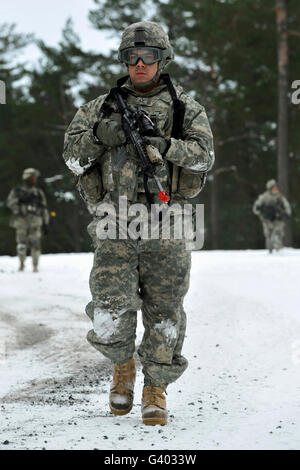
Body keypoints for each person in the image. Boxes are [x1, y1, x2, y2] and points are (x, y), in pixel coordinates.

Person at [63, 21, 214, 425]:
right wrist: (99, 134)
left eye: (148, 57)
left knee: (164, 311)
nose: (140, 64)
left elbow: (203, 158)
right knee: (110, 309)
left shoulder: (186, 109)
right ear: (124, 60)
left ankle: (155, 389)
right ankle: (122, 366)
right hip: (115, 225)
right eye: (132, 57)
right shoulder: (100, 109)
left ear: (163, 60)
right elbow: (73, 159)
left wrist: (167, 146)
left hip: (169, 224)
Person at [6, 168, 49, 272]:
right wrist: (19, 201)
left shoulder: (38, 192)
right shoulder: (17, 191)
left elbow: (44, 208)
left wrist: (46, 223)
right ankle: (21, 264)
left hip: (35, 221)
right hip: (21, 221)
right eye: (33, 177)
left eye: (35, 178)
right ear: (27, 177)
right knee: (21, 243)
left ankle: (35, 266)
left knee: (36, 244)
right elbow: (10, 203)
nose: (35, 180)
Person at [253, 179, 291, 253]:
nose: (275, 188)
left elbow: (286, 206)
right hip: (267, 219)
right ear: (270, 188)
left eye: (276, 187)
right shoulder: (264, 197)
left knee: (278, 233)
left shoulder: (280, 197)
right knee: (268, 235)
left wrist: (287, 213)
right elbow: (256, 208)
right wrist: (260, 209)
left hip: (278, 218)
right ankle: (270, 251)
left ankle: (278, 250)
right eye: (273, 187)